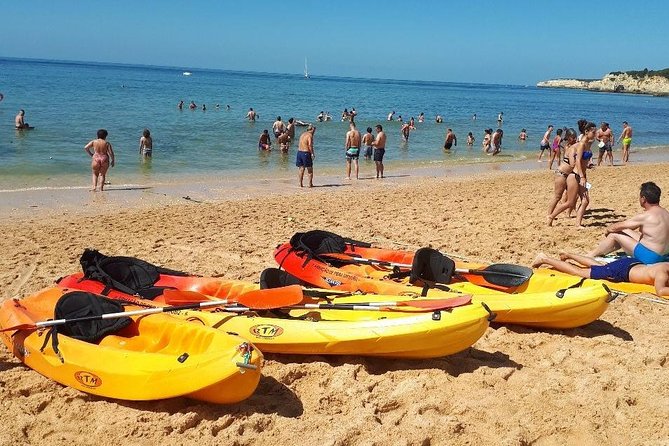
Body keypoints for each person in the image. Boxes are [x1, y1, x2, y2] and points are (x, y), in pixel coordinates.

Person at [585, 182, 669, 263]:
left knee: (615, 234)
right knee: (625, 231)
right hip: (664, 256)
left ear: (643, 199)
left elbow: (615, 227)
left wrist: (607, 230)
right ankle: (601, 252)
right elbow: (625, 228)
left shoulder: (645, 216)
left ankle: (592, 255)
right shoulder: (665, 213)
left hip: (651, 258)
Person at [531, 252, 669, 296]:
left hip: (631, 264)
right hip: (621, 272)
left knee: (601, 266)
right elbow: (660, 291)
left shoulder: (665, 267)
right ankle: (544, 258)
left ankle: (568, 255)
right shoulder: (663, 273)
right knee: (580, 273)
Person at [546, 128, 578, 223]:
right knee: (557, 196)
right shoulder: (570, 148)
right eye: (573, 138)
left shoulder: (571, 146)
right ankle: (549, 214)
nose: (575, 139)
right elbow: (572, 164)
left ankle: (567, 213)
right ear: (569, 138)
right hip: (561, 174)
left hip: (568, 175)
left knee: (572, 195)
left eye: (575, 137)